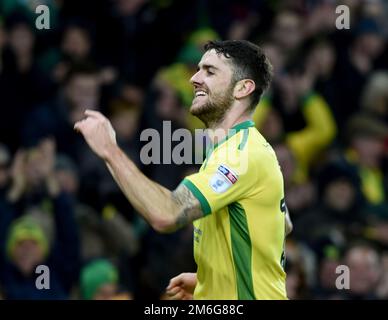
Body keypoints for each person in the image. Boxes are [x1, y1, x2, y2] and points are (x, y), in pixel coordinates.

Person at [74, 40, 292, 300]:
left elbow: (167, 213)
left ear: (243, 88)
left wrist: (110, 151)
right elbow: (281, 224)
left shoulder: (241, 155)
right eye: (198, 69)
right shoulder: (235, 150)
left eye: (210, 72)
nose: (194, 78)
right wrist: (213, 281)